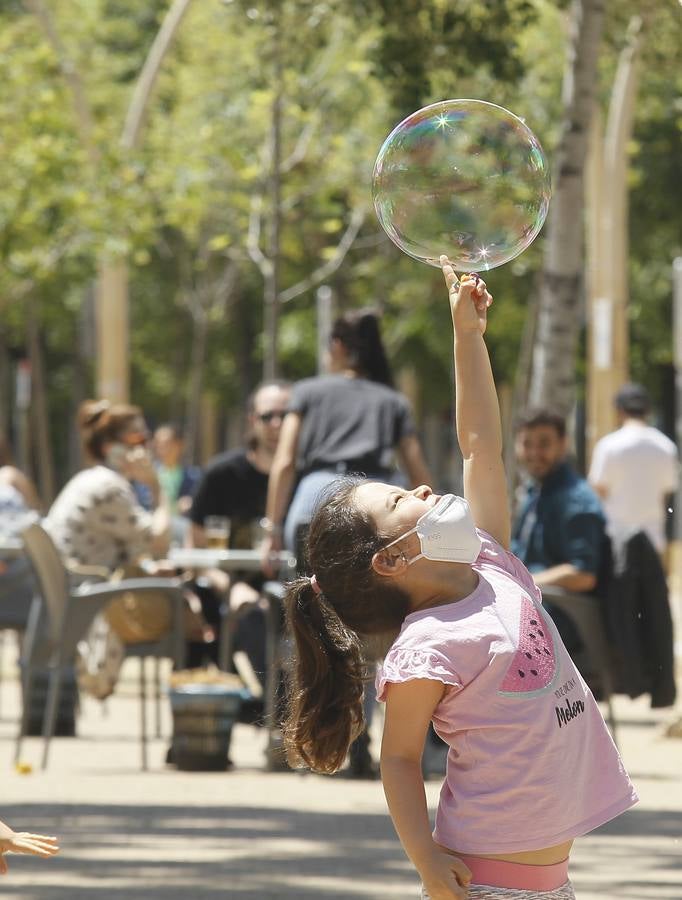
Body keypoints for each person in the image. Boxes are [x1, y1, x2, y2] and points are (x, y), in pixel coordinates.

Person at [282, 260, 637, 900]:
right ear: (389, 561)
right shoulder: (426, 646)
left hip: (550, 882)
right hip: (484, 883)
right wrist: (426, 863)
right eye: (399, 501)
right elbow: (398, 759)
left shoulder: (489, 559)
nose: (420, 486)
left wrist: (467, 336)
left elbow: (479, 444)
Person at [261, 308, 433, 565]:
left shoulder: (306, 392)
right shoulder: (394, 402)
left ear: (337, 346)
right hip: (372, 501)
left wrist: (272, 529)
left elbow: (285, 462)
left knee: (309, 592)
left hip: (315, 500)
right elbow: (418, 472)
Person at [187, 381, 291, 674]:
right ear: (252, 420)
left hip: (290, 591)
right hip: (227, 589)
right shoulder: (222, 474)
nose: (276, 425)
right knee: (246, 614)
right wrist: (231, 587)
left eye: (285, 416)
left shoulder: (306, 479)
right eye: (268, 416)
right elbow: (195, 550)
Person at [511, 408, 608, 655]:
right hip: (526, 608)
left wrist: (523, 583)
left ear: (563, 444)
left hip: (560, 620)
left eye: (544, 444)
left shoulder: (575, 500)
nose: (534, 453)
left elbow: (582, 574)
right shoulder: (535, 492)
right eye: (526, 444)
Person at [46, 400, 171, 570]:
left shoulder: (90, 478)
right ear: (109, 448)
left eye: (147, 439)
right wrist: (156, 486)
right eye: (138, 439)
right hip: (96, 592)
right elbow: (160, 544)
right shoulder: (109, 488)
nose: (147, 448)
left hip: (83, 589)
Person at [588, 382, 679, 556]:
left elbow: (598, 489)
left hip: (615, 541)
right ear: (647, 410)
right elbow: (666, 493)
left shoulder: (608, 446)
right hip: (653, 541)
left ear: (619, 411)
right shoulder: (666, 447)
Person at [152, 423, 201, 545]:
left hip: (181, 530)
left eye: (167, 444)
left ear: (180, 445)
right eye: (159, 444)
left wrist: (191, 504)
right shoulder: (148, 476)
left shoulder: (193, 476)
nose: (163, 449)